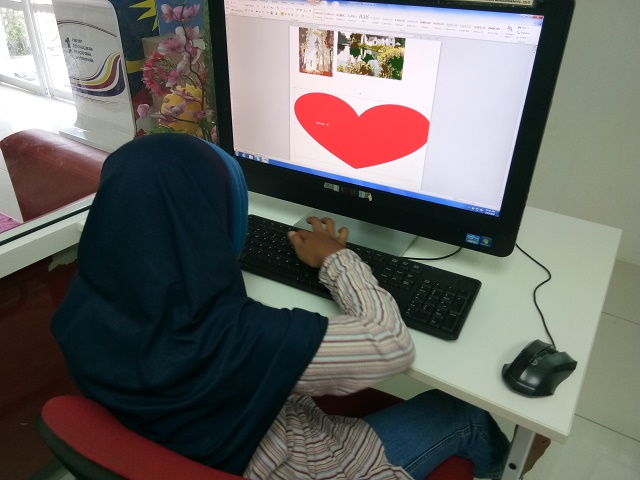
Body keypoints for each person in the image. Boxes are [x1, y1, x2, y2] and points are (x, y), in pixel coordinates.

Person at [52, 134, 544, 479]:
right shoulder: (238, 337)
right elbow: (391, 345)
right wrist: (337, 259)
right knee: (466, 411)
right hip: (300, 465)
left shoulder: (78, 311)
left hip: (196, 435)